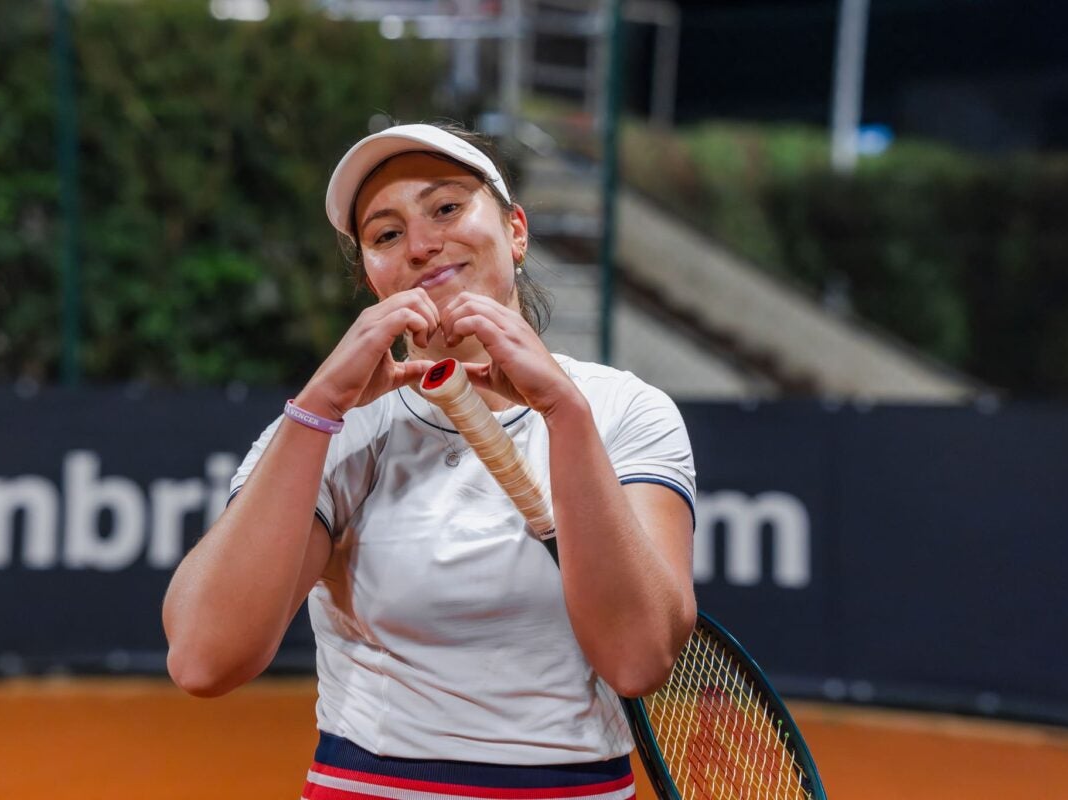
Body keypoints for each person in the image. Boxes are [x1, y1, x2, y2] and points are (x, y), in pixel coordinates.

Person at [162, 122, 698, 800]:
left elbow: (638, 657)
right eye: (386, 235)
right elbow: (205, 659)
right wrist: (319, 407)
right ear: (371, 277)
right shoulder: (335, 429)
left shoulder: (623, 412)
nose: (421, 245)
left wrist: (563, 415)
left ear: (516, 231)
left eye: (446, 208)